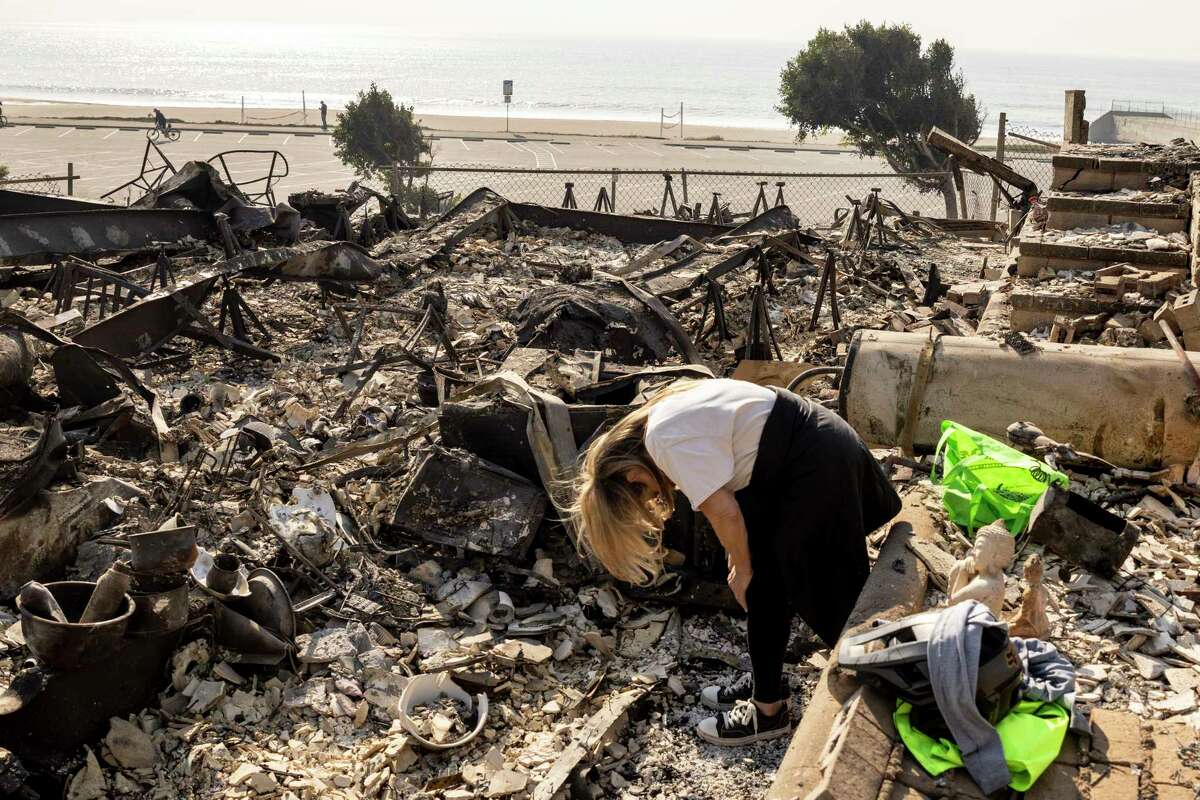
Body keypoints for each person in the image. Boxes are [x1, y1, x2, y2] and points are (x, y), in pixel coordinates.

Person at [566, 378, 901, 746]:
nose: (659, 496)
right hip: (805, 450)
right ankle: (768, 690)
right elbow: (733, 479)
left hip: (814, 464)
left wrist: (742, 567)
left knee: (825, 598)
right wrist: (739, 555)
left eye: (644, 495)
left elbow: (724, 512)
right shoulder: (659, 421)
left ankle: (889, 686)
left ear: (632, 475)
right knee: (766, 585)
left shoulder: (664, 440)